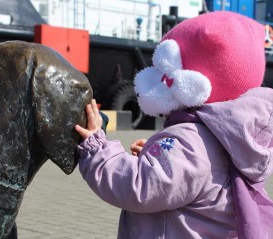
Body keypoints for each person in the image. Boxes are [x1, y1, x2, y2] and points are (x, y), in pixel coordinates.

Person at [75, 11, 273, 239]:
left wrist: (97, 148)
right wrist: (158, 156)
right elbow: (189, 176)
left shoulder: (188, 142)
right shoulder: (232, 135)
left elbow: (139, 187)